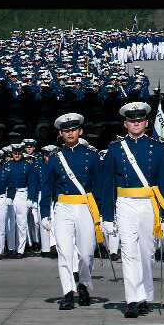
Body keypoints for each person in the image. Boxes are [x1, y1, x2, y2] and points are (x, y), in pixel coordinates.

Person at [100, 102, 164, 318]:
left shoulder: (158, 148)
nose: (136, 123)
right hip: (125, 203)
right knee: (129, 252)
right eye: (132, 120)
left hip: (149, 205)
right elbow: (108, 184)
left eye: (139, 120)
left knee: (146, 251)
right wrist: (107, 215)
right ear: (125, 123)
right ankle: (132, 299)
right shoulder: (115, 149)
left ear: (146, 123)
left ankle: (144, 295)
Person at [41, 113, 104, 310]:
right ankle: (68, 292)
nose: (70, 133)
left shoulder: (92, 157)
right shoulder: (55, 158)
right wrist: (45, 213)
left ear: (80, 131)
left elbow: (99, 186)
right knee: (64, 252)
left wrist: (102, 213)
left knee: (86, 253)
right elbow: (46, 187)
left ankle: (84, 284)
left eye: (73, 130)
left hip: (85, 207)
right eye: (66, 130)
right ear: (61, 133)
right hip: (63, 208)